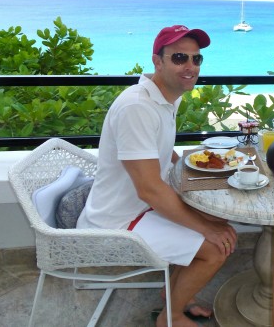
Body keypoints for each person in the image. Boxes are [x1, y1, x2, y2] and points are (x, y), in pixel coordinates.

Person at [77, 25, 237, 327]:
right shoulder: (137, 107)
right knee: (216, 247)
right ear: (157, 61)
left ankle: (175, 295)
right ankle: (170, 318)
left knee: (219, 223)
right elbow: (150, 190)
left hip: (137, 207)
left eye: (196, 59)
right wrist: (205, 228)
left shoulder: (163, 97)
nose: (190, 67)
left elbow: (161, 151)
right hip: (119, 220)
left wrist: (194, 169)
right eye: (179, 58)